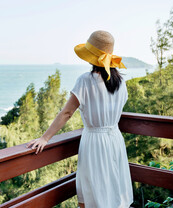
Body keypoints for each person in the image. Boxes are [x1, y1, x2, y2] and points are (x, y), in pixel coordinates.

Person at [26, 30, 134, 208]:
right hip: (115, 138)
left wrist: (45, 138)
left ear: (91, 57)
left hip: (95, 142)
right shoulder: (121, 83)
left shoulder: (86, 80)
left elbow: (67, 113)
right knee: (114, 187)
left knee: (92, 190)